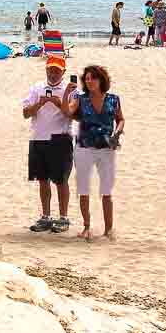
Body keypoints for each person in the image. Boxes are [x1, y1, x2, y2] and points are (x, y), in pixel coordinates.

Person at [65, 64, 124, 240]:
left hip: (107, 148)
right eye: (87, 79)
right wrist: (67, 94)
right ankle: (86, 227)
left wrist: (117, 132)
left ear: (101, 79)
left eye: (93, 78)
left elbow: (120, 119)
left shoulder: (114, 99)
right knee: (83, 189)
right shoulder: (81, 99)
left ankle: (108, 229)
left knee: (107, 190)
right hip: (84, 148)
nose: (90, 81)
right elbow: (68, 111)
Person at [21, 54, 75, 234]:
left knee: (61, 180)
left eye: (57, 71)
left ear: (63, 71)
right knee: (42, 180)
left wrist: (59, 103)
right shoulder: (37, 87)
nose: (53, 74)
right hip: (38, 138)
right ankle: (45, 216)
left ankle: (63, 217)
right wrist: (39, 103)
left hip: (60, 138)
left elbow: (72, 114)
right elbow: (26, 113)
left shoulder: (70, 89)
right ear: (46, 69)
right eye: (50, 70)